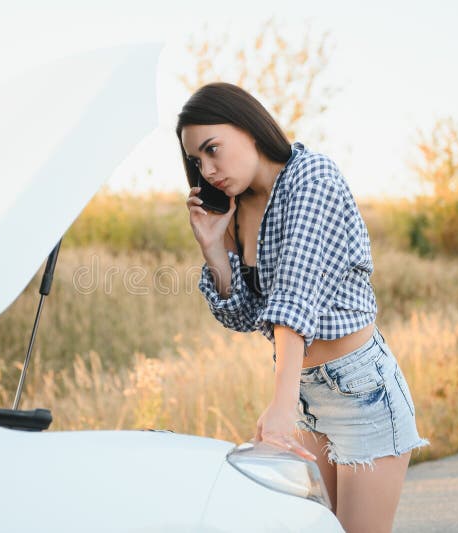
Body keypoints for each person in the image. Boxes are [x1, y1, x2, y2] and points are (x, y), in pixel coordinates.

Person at [177, 82, 430, 532]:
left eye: (213, 149)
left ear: (248, 127)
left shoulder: (313, 180)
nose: (208, 169)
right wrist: (214, 249)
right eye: (197, 161)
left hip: (361, 392)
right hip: (309, 395)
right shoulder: (240, 207)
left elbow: (294, 302)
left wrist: (278, 404)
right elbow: (242, 316)